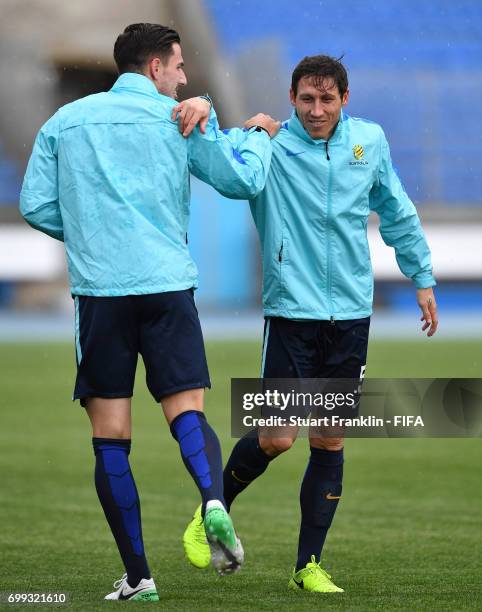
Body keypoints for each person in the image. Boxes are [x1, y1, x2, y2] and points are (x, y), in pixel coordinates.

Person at [19, 22, 279, 602]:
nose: (186, 76)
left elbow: (34, 203)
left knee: (111, 437)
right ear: (157, 67)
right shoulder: (181, 118)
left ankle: (139, 576)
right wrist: (258, 133)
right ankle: (212, 498)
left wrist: (91, 232)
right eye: (180, 65)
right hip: (167, 287)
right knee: (186, 410)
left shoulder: (66, 121)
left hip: (102, 292)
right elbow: (242, 178)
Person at [180, 54, 438, 594]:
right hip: (291, 314)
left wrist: (421, 275)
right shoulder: (269, 144)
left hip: (351, 316)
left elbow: (396, 208)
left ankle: (308, 567)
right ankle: (212, 510)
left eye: (326, 99)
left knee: (329, 438)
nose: (316, 109)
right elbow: (217, 162)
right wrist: (204, 107)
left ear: (345, 99)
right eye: (306, 99)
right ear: (292, 99)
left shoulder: (368, 143)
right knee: (277, 438)